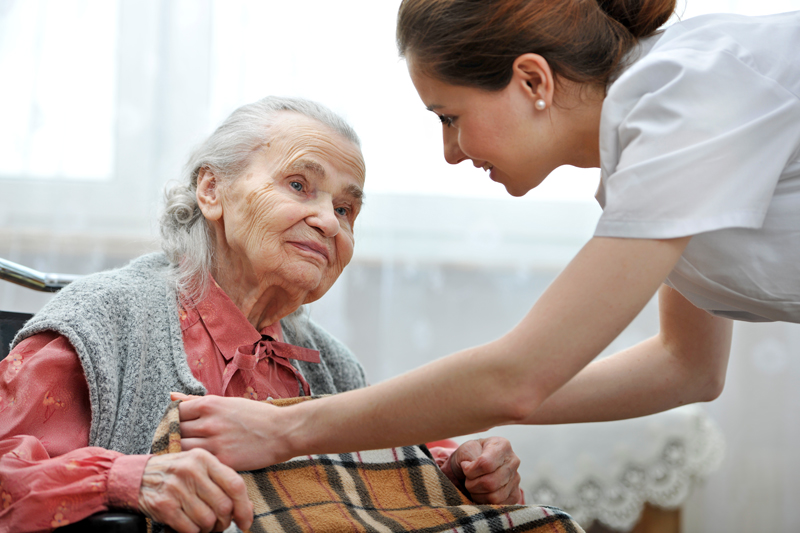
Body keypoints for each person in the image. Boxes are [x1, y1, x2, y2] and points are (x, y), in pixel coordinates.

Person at [173, 0, 800, 473]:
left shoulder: (684, 100)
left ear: (533, 82)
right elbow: (685, 367)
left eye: (450, 117)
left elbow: (518, 377)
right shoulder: (650, 156)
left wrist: (286, 430)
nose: (450, 152)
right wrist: (435, 423)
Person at [0, 96, 523, 533]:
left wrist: (458, 473)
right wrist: (131, 479)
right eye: (299, 185)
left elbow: (375, 474)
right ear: (212, 191)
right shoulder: (105, 320)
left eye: (346, 209)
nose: (328, 222)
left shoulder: (332, 366)